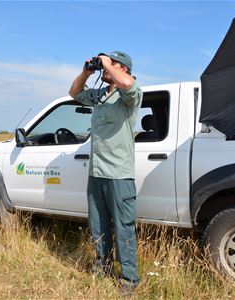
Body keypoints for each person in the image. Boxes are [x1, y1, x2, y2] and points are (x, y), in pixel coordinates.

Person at [69, 51, 143, 291]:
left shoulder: (129, 95)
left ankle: (129, 279)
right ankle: (103, 267)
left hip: (119, 175)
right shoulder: (101, 95)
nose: (105, 67)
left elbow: (127, 84)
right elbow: (75, 93)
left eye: (113, 64)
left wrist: (108, 65)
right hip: (97, 173)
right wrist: (86, 72)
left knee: (124, 228)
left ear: (123, 68)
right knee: (98, 225)